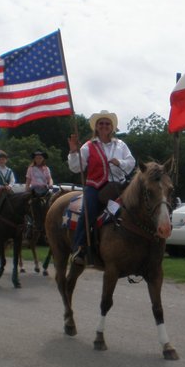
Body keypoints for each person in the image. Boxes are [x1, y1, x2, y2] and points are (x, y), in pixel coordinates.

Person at [67, 110, 135, 265]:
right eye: (101, 123)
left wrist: (120, 162)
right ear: (96, 127)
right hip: (96, 186)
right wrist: (73, 151)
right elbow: (76, 167)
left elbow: (131, 162)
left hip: (119, 185)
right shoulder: (88, 146)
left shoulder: (121, 145)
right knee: (88, 211)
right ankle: (79, 248)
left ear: (112, 127)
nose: (104, 126)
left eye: (107, 123)